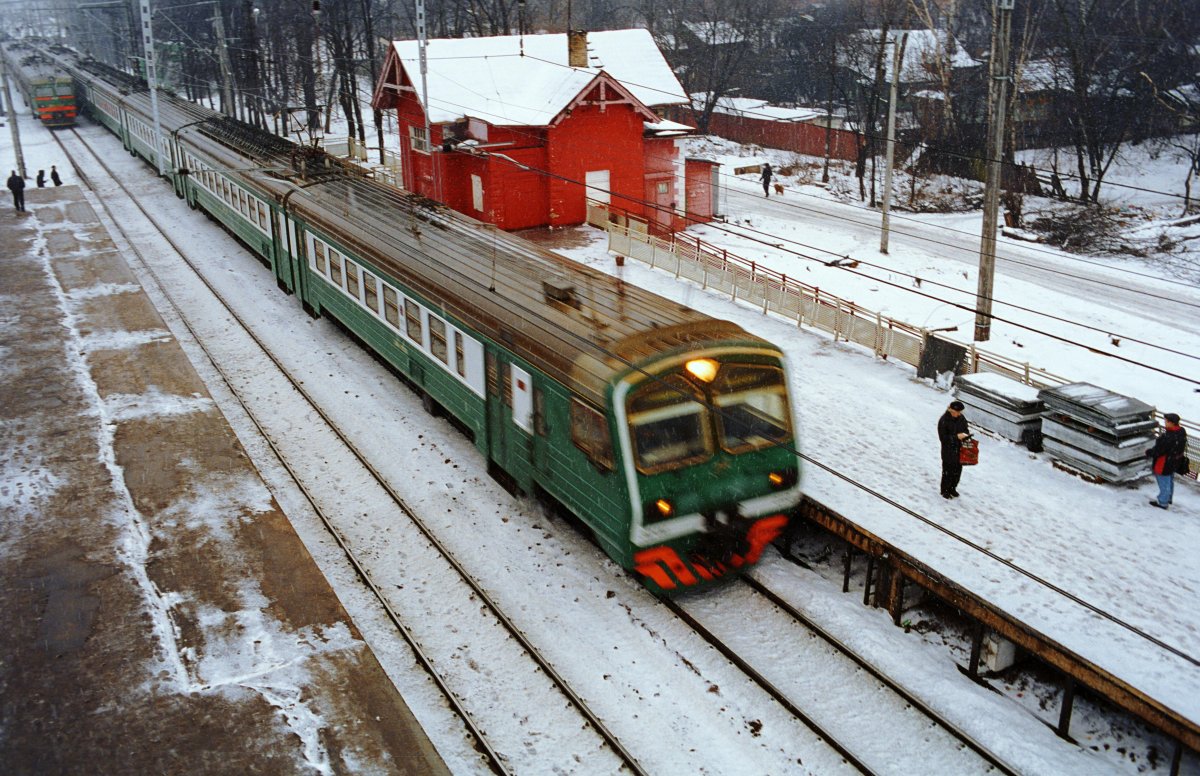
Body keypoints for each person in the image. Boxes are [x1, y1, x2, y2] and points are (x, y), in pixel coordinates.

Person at [1146, 413, 1187, 509]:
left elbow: (1159, 450)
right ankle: (1168, 498)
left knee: (1164, 482)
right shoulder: (1181, 431)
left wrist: (1149, 452)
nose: (1164, 423)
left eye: (1166, 421)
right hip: (1174, 462)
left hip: (1164, 463)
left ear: (1172, 423)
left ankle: (1163, 502)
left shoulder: (1169, 437)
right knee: (1169, 480)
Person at [937, 400, 970, 499]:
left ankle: (953, 488)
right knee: (947, 471)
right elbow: (943, 438)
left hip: (959, 450)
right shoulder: (944, 420)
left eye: (960, 412)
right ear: (952, 410)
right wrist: (956, 437)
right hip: (948, 451)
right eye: (958, 412)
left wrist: (966, 435)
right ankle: (945, 490)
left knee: (957, 471)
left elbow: (966, 429)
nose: (959, 414)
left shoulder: (961, 419)